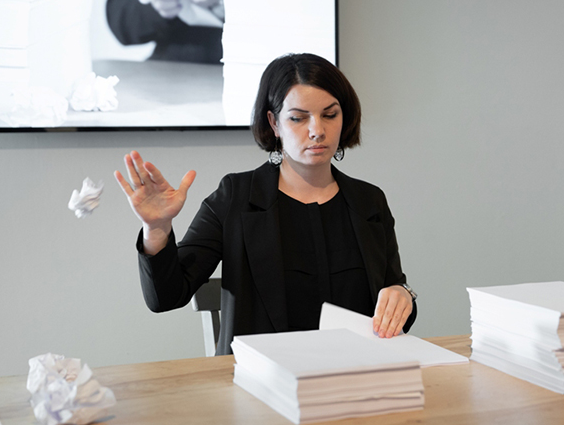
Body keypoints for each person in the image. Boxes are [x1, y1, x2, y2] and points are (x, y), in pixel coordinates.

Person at [115, 53, 417, 355]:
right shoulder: (236, 197)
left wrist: (402, 295)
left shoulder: (369, 201)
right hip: (260, 385)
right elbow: (166, 297)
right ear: (274, 122)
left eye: (330, 114)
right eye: (298, 118)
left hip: (354, 377)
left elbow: (393, 295)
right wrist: (156, 228)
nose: (317, 130)